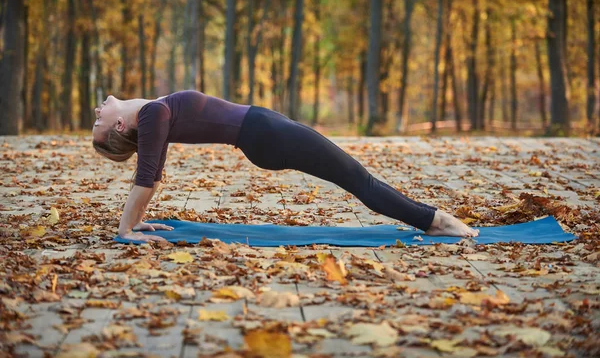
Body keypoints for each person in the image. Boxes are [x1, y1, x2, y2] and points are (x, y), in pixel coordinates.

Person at [92, 90, 479, 243]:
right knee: (358, 178)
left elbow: (152, 173)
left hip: (266, 131)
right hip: (267, 135)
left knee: (356, 177)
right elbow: (148, 176)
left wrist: (136, 221)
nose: (98, 109)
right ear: (120, 127)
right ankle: (433, 221)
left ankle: (431, 219)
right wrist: (127, 229)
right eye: (99, 121)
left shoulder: (150, 116)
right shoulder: (151, 116)